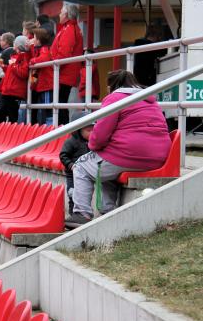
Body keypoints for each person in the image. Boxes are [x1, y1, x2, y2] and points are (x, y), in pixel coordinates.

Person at [66, 70, 171, 228]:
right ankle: (107, 210)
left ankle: (82, 214)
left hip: (128, 154)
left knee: (81, 166)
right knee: (106, 167)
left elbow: (100, 135)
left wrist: (93, 146)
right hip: (158, 157)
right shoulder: (149, 100)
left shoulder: (114, 98)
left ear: (110, 86)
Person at [49, 2, 84, 126]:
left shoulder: (69, 30)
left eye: (61, 12)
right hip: (64, 72)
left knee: (60, 102)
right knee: (60, 102)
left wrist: (53, 67)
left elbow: (64, 53)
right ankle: (62, 127)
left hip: (64, 73)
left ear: (67, 15)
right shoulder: (69, 28)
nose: (59, 14)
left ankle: (62, 128)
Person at [59, 112, 92, 214]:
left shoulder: (93, 142)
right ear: (78, 130)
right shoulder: (70, 142)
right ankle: (72, 214)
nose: (92, 133)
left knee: (84, 194)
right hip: (72, 174)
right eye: (88, 130)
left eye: (93, 130)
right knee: (73, 194)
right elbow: (63, 155)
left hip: (86, 173)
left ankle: (82, 213)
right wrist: (71, 165)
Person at [0, 35, 31, 123]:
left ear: (18, 45)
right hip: (7, 90)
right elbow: (10, 70)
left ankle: (11, 134)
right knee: (1, 111)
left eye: (15, 43)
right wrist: (3, 66)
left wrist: (13, 65)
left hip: (15, 91)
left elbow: (23, 73)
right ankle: (2, 131)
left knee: (12, 115)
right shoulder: (14, 56)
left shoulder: (25, 57)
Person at [29, 28, 53, 125]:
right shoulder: (38, 50)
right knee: (44, 109)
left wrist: (32, 61)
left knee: (48, 109)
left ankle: (50, 128)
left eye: (34, 37)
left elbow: (44, 58)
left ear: (39, 40)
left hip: (46, 85)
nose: (32, 40)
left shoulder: (44, 49)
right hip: (42, 85)